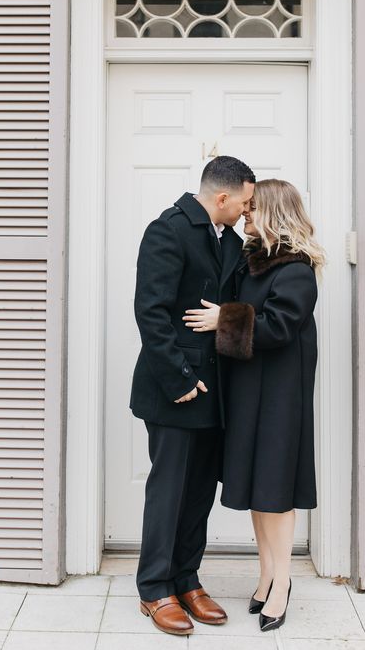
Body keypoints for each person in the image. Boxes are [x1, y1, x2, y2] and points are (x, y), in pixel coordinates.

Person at [183, 179, 326, 632]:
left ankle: (281, 584)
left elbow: (279, 326)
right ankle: (266, 577)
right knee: (259, 491)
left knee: (277, 491)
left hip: (280, 398)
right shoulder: (251, 264)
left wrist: (223, 317)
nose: (245, 215)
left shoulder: (296, 270)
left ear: (274, 212)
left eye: (252, 210)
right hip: (250, 394)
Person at [130, 155, 255, 636]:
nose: (247, 212)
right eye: (244, 203)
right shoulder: (167, 230)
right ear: (221, 197)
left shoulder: (232, 241)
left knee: (201, 490)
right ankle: (155, 588)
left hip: (217, 391)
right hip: (174, 389)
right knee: (169, 490)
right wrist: (179, 380)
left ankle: (187, 578)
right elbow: (151, 314)